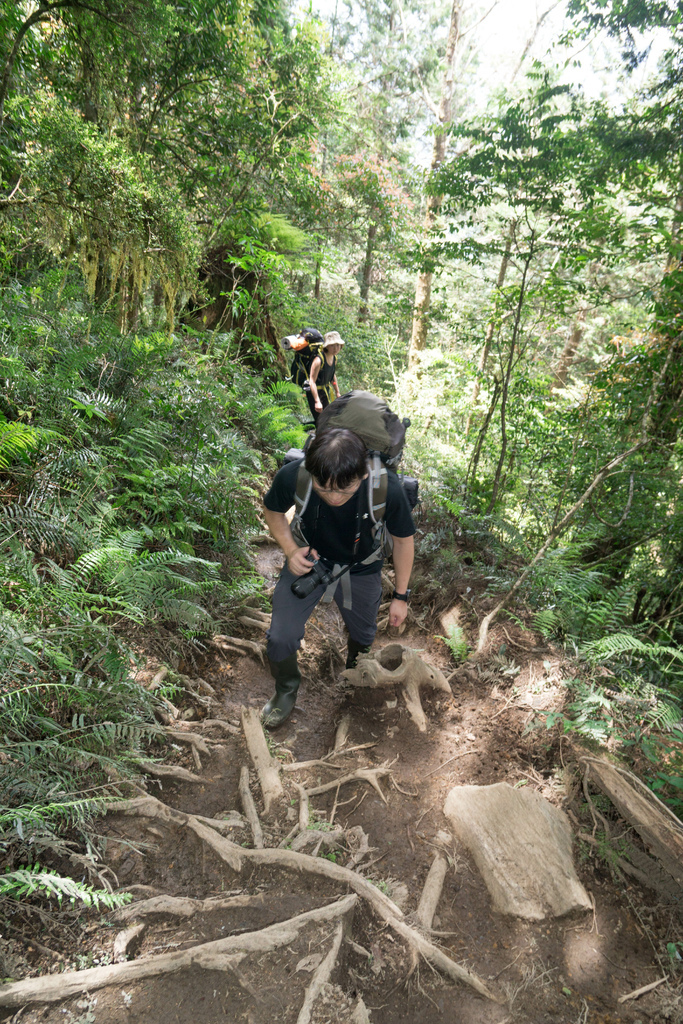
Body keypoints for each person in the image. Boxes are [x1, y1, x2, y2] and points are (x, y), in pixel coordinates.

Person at [261, 427, 415, 728]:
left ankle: (353, 682)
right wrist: (291, 551)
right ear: (311, 471)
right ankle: (286, 690)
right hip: (307, 561)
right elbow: (273, 510)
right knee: (280, 636)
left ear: (364, 474)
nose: (333, 496)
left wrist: (400, 596)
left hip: (362, 568)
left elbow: (404, 541)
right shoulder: (298, 474)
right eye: (324, 488)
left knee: (363, 635)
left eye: (344, 489)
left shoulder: (387, 488)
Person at [306, 331, 343, 423]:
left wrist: (337, 392)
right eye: (332, 345)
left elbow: (332, 375)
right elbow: (312, 381)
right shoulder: (318, 360)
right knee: (320, 420)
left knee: (327, 419)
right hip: (314, 392)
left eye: (338, 345)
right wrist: (317, 401)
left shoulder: (334, 358)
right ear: (326, 346)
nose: (335, 348)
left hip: (325, 391)